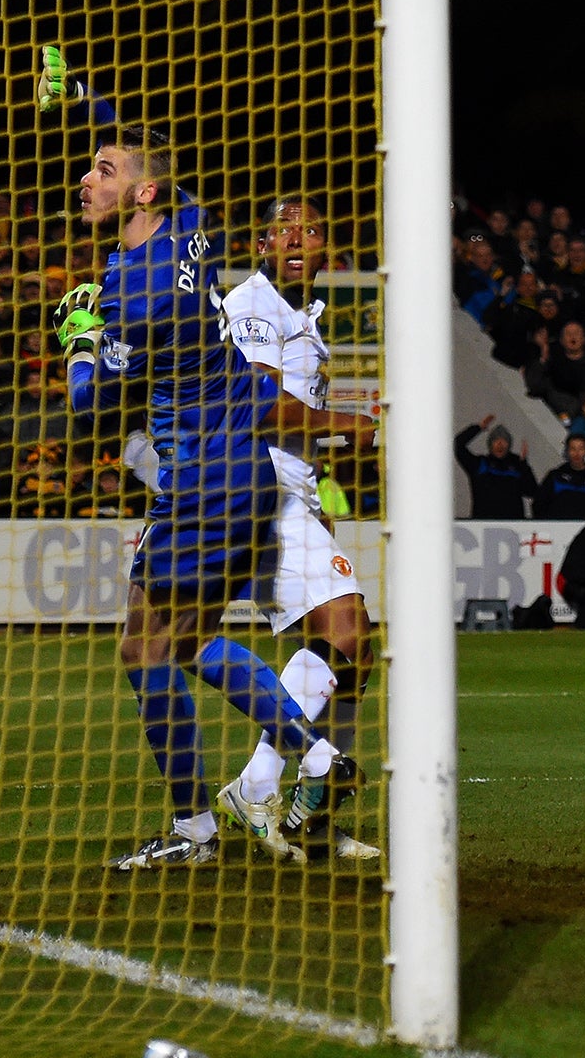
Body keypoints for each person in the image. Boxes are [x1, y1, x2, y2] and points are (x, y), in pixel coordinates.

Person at [56, 122, 328, 870]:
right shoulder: (191, 225)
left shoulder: (138, 295)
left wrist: (78, 336)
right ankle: (311, 758)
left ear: (140, 192)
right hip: (244, 473)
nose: (85, 180)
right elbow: (160, 171)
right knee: (179, 641)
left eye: (102, 171)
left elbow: (88, 407)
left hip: (203, 480)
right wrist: (83, 97)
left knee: (145, 647)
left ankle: (202, 826)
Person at [219, 195, 382, 859]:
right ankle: (274, 790)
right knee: (350, 627)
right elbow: (256, 400)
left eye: (308, 228)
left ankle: (284, 800)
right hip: (255, 491)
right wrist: (351, 424)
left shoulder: (304, 318)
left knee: (353, 650)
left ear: (324, 250)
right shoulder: (253, 302)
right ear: (262, 245)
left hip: (292, 496)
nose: (294, 238)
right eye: (279, 228)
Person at [454, 416, 539, 518]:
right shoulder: (479, 464)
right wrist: (478, 428)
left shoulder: (518, 466)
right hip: (483, 526)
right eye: (496, 440)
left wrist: (524, 465)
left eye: (504, 441)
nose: (500, 444)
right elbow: (458, 445)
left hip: (512, 527)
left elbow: (532, 492)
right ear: (490, 444)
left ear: (509, 445)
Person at [534, 433, 585, 519]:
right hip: (556, 528)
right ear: (567, 451)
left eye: (581, 449)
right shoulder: (555, 476)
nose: (576, 453)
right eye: (572, 449)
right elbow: (539, 504)